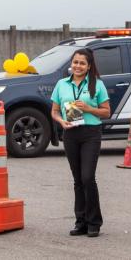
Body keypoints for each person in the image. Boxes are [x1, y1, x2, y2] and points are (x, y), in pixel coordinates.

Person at [50, 48, 110, 237]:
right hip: (70, 133)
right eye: (75, 62)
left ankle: (94, 222)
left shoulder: (97, 84)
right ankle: (80, 221)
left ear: (89, 66)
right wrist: (61, 122)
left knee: (87, 177)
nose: (78, 66)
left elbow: (106, 112)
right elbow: (54, 111)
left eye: (82, 63)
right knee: (77, 180)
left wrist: (89, 108)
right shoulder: (62, 84)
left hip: (90, 133)